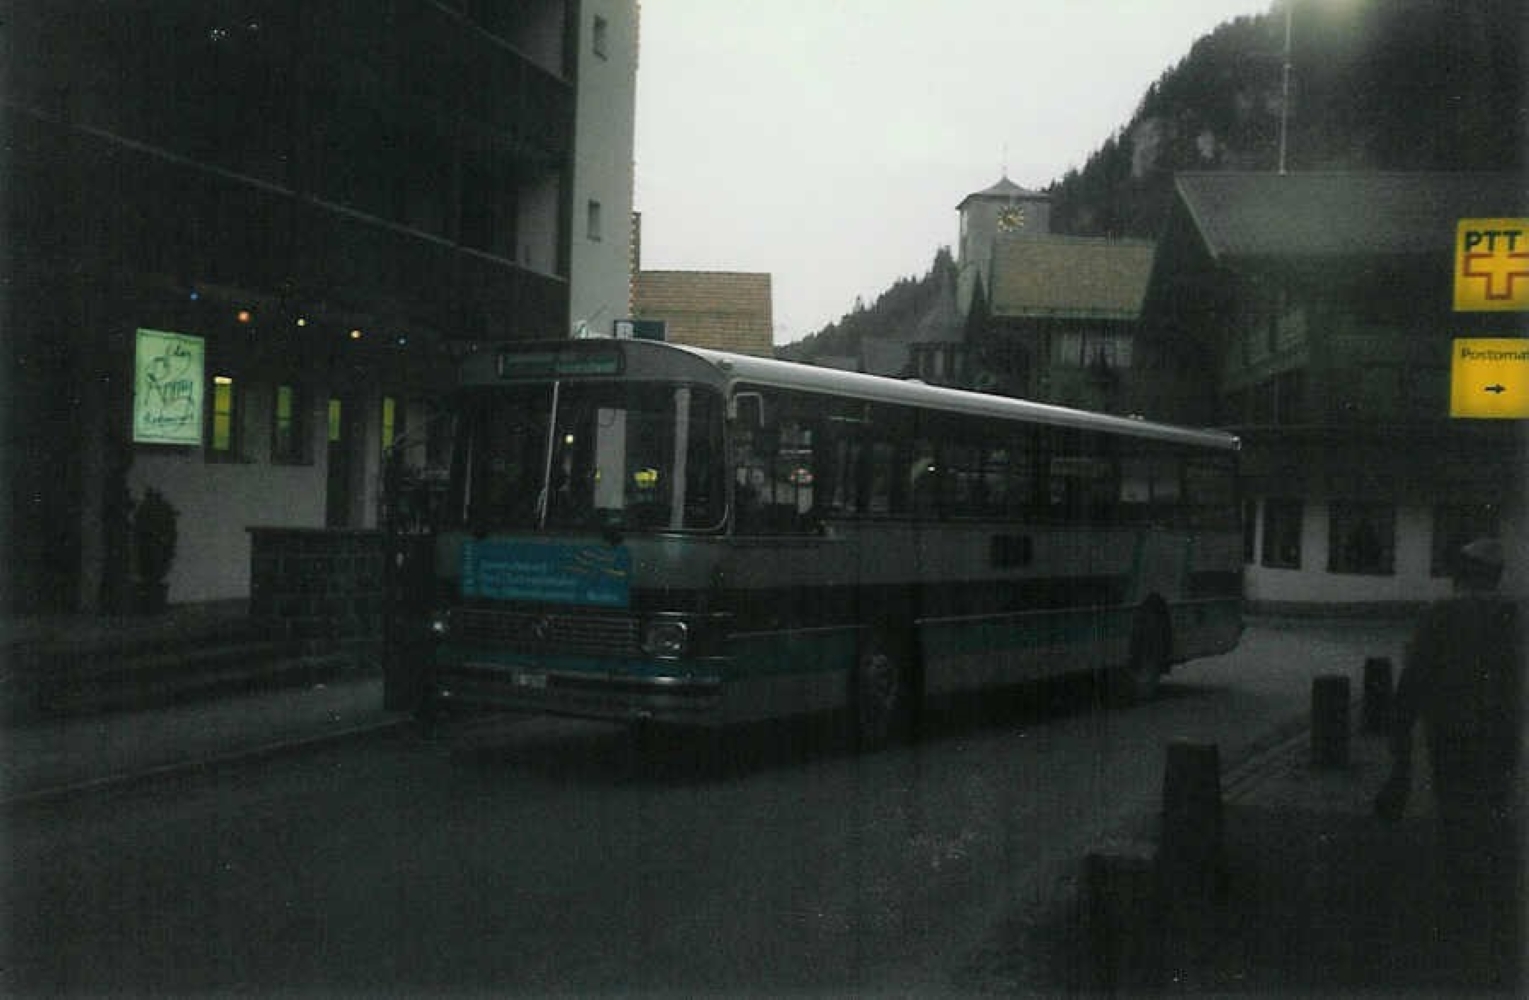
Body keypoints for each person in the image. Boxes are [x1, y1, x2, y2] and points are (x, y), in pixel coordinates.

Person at [1374, 536, 1523, 986]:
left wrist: (1399, 752)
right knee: (1493, 809)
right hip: (1499, 737)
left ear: (1462, 573)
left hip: (1451, 735)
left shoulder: (1439, 615)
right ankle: (1492, 900)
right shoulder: (1515, 617)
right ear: (1495, 576)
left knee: (1456, 813)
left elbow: (1414, 679)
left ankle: (1465, 902)